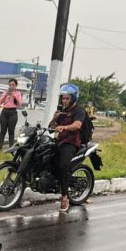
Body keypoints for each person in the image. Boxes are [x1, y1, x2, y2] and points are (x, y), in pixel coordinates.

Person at [49, 83, 86, 212]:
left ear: (73, 98)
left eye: (67, 98)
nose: (64, 101)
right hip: (59, 141)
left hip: (71, 143)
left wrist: (64, 127)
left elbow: (77, 125)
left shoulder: (79, 110)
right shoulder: (62, 111)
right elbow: (51, 127)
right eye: (63, 98)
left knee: (62, 165)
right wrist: (54, 119)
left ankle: (64, 196)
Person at [0, 78, 22, 149]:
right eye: (10, 85)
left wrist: (13, 95)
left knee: (11, 131)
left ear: (16, 86)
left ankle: (11, 148)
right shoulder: (5, 92)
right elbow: (0, 102)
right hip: (4, 112)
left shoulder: (18, 93)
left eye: (13, 85)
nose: (11, 86)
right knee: (2, 131)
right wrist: (6, 94)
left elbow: (19, 104)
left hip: (13, 112)